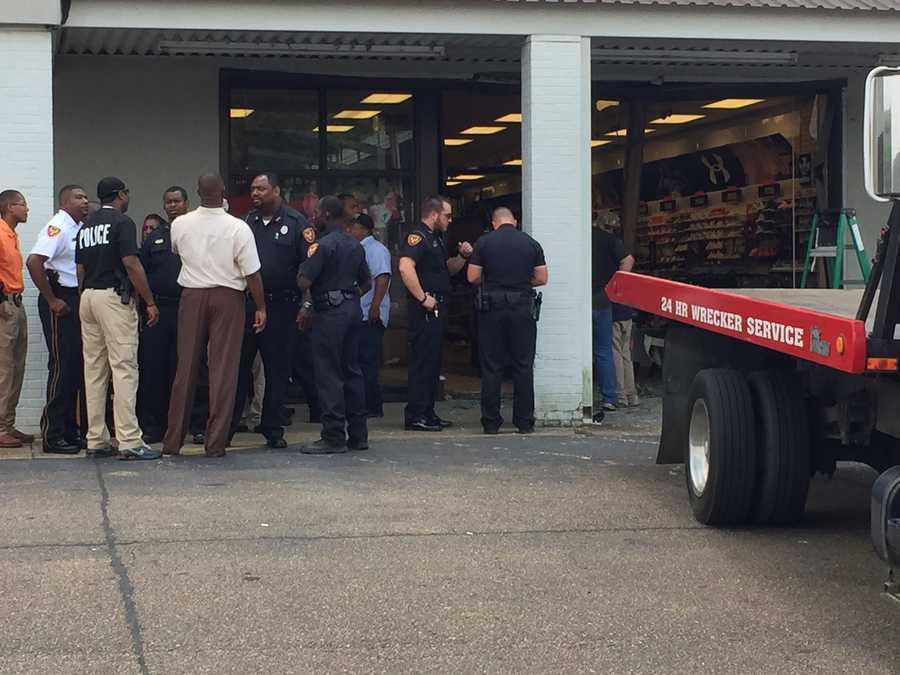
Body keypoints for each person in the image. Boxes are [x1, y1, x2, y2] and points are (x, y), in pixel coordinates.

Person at [163, 174, 264, 458]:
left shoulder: (180, 224)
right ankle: (215, 442)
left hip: (192, 295)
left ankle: (173, 441)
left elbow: (177, 252)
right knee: (223, 369)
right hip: (228, 296)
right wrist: (261, 306)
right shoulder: (238, 227)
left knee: (186, 370)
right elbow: (252, 273)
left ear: (196, 193)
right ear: (223, 192)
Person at [76, 177, 161, 460]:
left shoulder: (86, 224)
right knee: (124, 368)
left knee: (94, 370)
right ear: (121, 195)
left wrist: (84, 295)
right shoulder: (122, 223)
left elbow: (80, 266)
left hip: (88, 296)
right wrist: (148, 300)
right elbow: (131, 263)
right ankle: (129, 440)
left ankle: (96, 439)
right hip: (113, 298)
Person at [230, 172, 316, 448]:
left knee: (277, 370)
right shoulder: (246, 223)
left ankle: (272, 428)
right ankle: (228, 427)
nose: (255, 194)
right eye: (253, 189)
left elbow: (310, 267)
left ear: (276, 190)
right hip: (248, 305)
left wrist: (307, 303)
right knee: (239, 367)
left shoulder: (297, 223)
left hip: (282, 306)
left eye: (261, 189)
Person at [296, 195, 370, 454]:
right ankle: (359, 434)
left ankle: (333, 435)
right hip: (351, 309)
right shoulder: (356, 245)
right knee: (352, 371)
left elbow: (304, 281)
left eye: (317, 212)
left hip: (329, 313)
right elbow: (367, 282)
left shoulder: (323, 245)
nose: (314, 216)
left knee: (328, 373)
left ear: (326, 215)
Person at [137, 186, 209, 445]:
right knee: (155, 367)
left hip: (190, 306)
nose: (172, 206)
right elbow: (140, 272)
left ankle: (199, 424)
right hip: (159, 310)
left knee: (194, 365)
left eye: (177, 201)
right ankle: (155, 426)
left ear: (187, 203)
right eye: (168, 202)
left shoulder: (198, 233)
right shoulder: (155, 237)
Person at [467, 207, 548, 434]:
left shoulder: (484, 243)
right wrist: (521, 282)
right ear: (514, 221)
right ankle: (524, 421)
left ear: (494, 223)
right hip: (522, 307)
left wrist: (492, 281)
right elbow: (542, 277)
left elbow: (472, 277)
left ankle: (491, 422)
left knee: (492, 366)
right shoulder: (531, 243)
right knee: (523, 365)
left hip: (491, 308)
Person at [398, 195, 472, 432]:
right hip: (426, 309)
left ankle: (428, 412)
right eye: (447, 215)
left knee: (432, 363)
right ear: (434, 214)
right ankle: (416, 414)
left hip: (437, 306)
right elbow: (405, 267)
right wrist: (423, 298)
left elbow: (446, 270)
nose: (450, 220)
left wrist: (462, 257)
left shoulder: (436, 239)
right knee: (422, 362)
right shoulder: (418, 236)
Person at [27, 184, 90, 454]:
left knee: (74, 366)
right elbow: (34, 262)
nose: (85, 201)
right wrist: (52, 300)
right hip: (59, 297)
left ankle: (68, 429)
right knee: (62, 366)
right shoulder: (58, 226)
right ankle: (52, 435)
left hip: (74, 298)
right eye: (79, 197)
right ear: (65, 202)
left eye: (86, 197)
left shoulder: (77, 227)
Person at [0, 190, 33, 449]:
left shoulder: (11, 234)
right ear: (10, 207)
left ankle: (8, 424)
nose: (27, 209)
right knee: (4, 369)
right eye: (23, 205)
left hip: (16, 304)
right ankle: (0, 428)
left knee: (16, 367)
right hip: (5, 305)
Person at [592, 214, 634, 412]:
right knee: (605, 351)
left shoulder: (580, 237)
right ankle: (610, 397)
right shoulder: (610, 240)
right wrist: (617, 283)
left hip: (580, 301)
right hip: (603, 299)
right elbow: (628, 260)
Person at [349, 213, 391, 418]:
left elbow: (382, 278)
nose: (350, 231)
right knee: (360, 361)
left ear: (364, 230)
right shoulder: (358, 249)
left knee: (367, 362)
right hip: (361, 313)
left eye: (353, 227)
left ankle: (372, 406)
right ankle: (363, 404)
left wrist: (375, 306)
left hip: (370, 314)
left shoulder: (376, 250)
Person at [612, 302, 639, 408]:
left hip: (615, 315)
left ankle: (621, 396)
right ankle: (632, 396)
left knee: (616, 353)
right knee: (626, 355)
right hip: (628, 314)